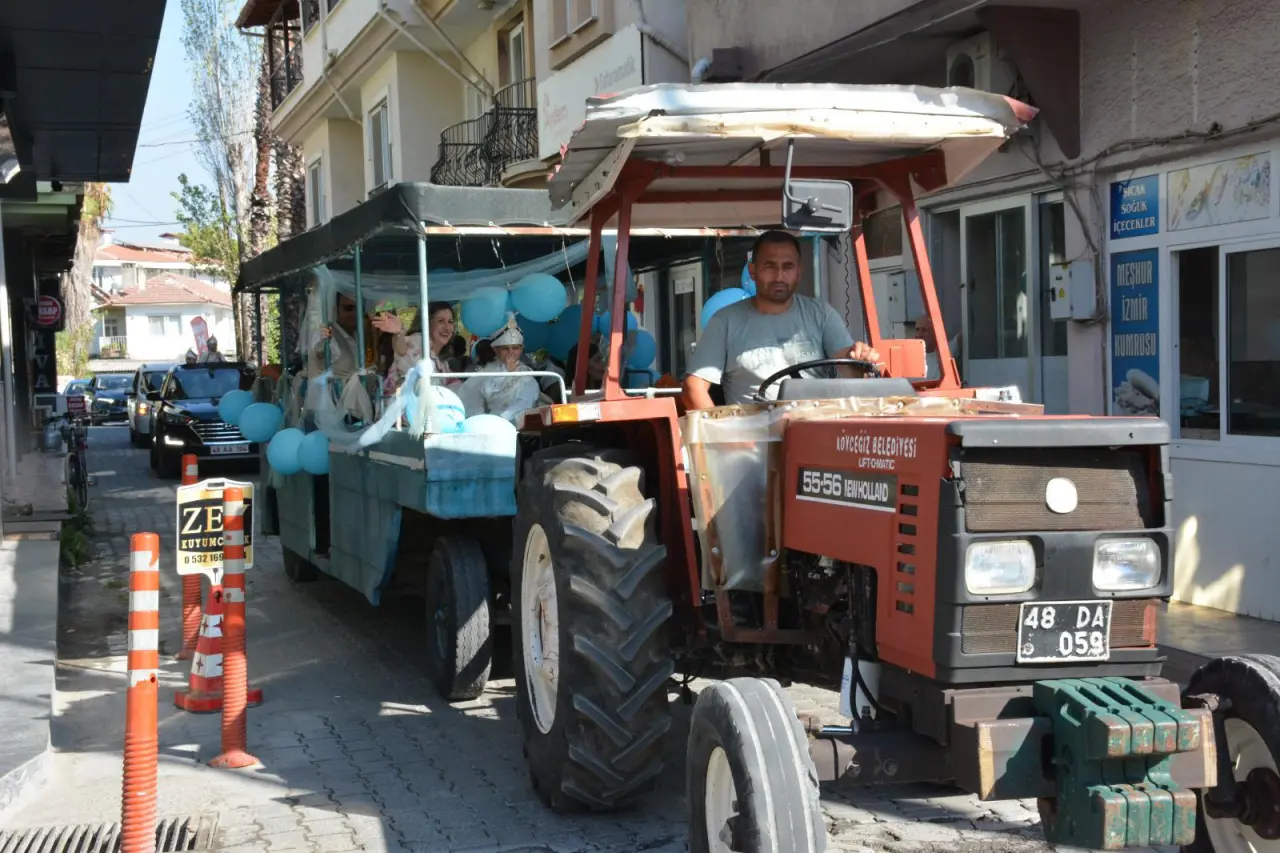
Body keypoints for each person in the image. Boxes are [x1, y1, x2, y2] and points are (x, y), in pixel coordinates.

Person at [682, 230, 882, 410]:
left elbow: (846, 362)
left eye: (788, 267)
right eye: (769, 266)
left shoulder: (821, 314)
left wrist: (858, 359)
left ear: (798, 272)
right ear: (753, 271)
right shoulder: (725, 321)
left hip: (815, 431)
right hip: (754, 439)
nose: (779, 276)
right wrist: (727, 440)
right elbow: (694, 388)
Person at [455, 316, 541, 423]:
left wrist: (512, 374)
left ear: (521, 349)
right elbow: (486, 397)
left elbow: (525, 403)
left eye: (515, 348)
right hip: (491, 424)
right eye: (505, 348)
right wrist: (508, 373)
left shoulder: (527, 374)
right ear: (495, 350)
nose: (511, 352)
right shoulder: (487, 373)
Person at [307, 292, 362, 380]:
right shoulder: (327, 333)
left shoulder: (359, 335)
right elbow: (320, 353)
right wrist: (325, 345)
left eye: (359, 308)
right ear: (336, 309)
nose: (354, 313)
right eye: (348, 308)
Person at [915, 311, 962, 382]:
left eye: (924, 330)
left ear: (935, 332)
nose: (919, 335)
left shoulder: (946, 351)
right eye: (917, 329)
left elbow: (967, 332)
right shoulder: (910, 359)